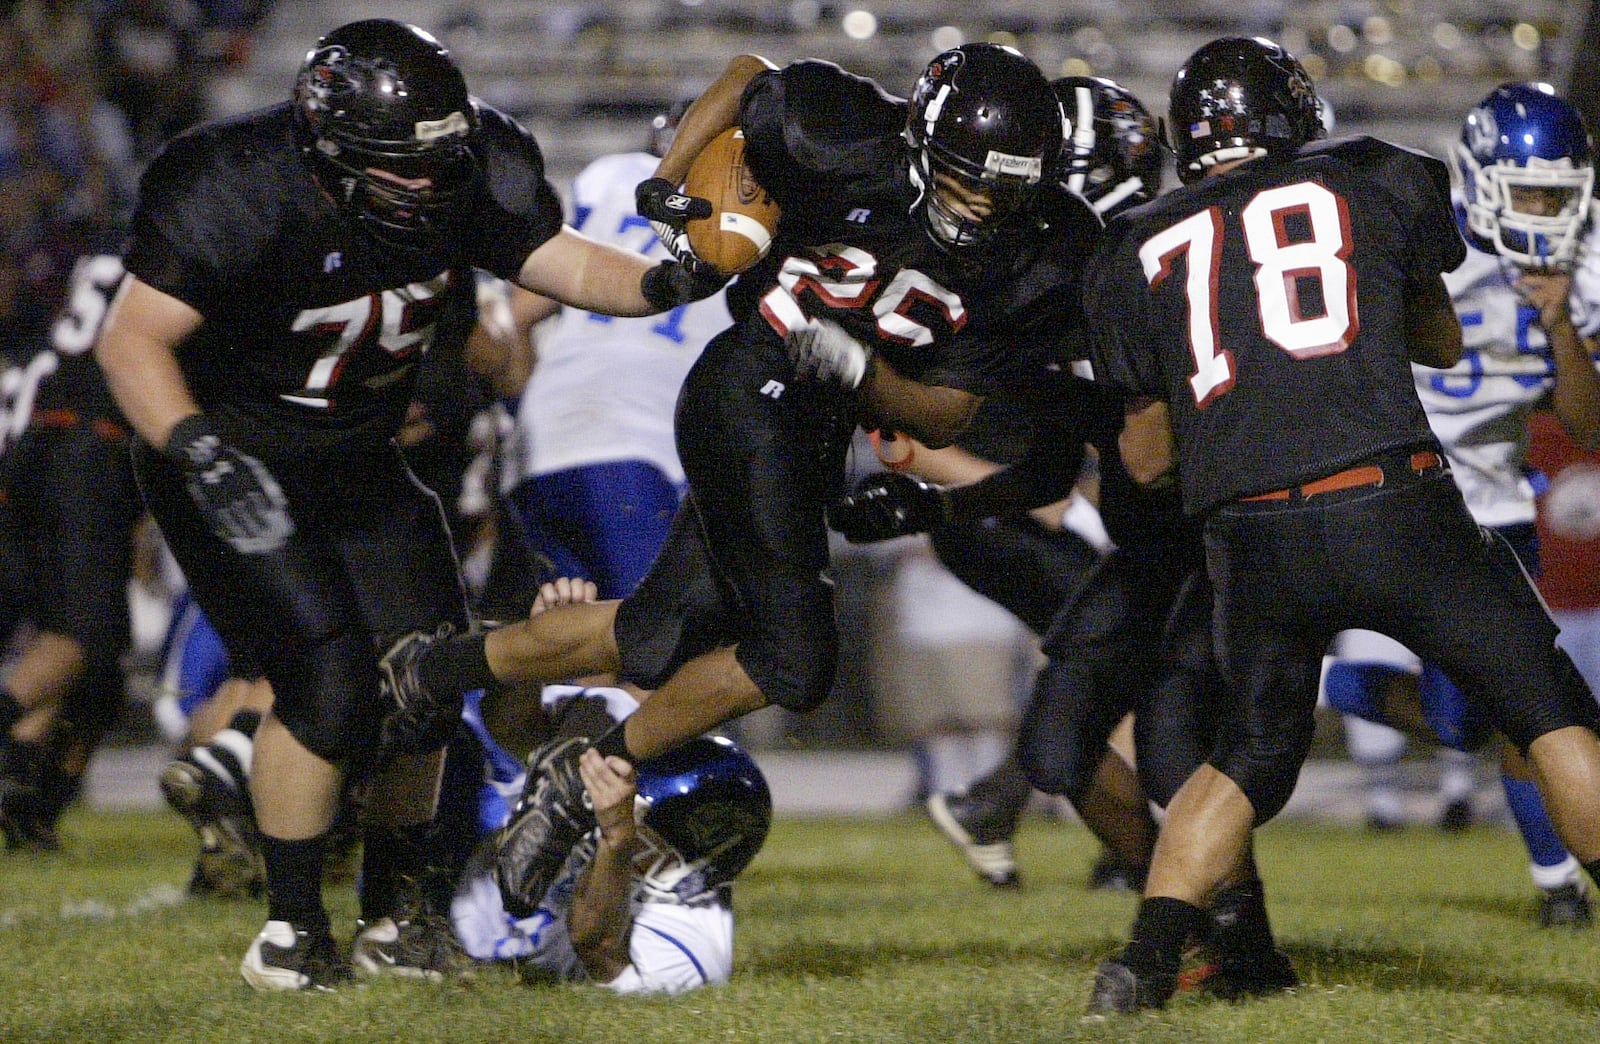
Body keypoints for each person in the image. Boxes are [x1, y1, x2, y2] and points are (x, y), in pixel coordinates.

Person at [381, 42, 1104, 918]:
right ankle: (584, 779)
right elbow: (743, 78)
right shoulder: (842, 133)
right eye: (963, 177)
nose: (981, 204)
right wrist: (672, 175)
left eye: (1004, 187)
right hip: (747, 386)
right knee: (795, 658)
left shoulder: (1049, 250)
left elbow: (945, 414)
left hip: (816, 420)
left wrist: (861, 381)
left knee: (654, 635)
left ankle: (432, 669)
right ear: (918, 141)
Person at [92, 18, 720, 992]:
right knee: (329, 691)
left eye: (441, 167)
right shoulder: (234, 180)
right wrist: (197, 448)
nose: (427, 190)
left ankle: (395, 916)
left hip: (361, 455)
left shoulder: (475, 163)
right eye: (401, 172)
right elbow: (131, 340)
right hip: (237, 456)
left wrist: (668, 279)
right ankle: (293, 932)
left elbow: (562, 260)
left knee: (424, 685)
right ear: (327, 150)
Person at [1082, 36, 1600, 1013]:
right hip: (1392, 500)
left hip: (1251, 528)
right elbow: (1440, 341)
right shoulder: (1373, 174)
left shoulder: (1132, 245)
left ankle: (1139, 967)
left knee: (1248, 753)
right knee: (1548, 710)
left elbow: (1145, 457)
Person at [1320, 82, 1600, 927]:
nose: (1545, 213)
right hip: (1395, 492)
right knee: (1474, 715)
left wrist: (1559, 327)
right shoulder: (1417, 230)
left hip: (1500, 502)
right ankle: (1331, 683)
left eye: (1559, 195)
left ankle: (1556, 887)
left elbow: (1588, 427)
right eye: (1528, 195)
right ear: (1480, 183)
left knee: (1508, 706)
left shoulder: (1584, 260)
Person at [919, 74, 1165, 891]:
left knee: (1110, 663)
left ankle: (1014, 812)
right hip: (995, 507)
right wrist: (1042, 492)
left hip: (1022, 501)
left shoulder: (1055, 268)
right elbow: (894, 435)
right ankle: (1006, 806)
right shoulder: (1001, 274)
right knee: (1109, 657)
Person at [504, 103, 732, 601]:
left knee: (556, 650)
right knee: (649, 657)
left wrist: (529, 411)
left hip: (538, 447)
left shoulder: (609, 179)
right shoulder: (747, 225)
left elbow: (516, 317)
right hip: (641, 451)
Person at [451, 684, 770, 994]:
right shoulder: (611, 716)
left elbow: (598, 947)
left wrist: (617, 835)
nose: (619, 811)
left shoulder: (688, 946)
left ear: (693, 857)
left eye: (643, 829)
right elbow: (510, 721)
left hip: (457, 905)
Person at [0, 218, 141, 853]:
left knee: (99, 660)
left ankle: (25, 798)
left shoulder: (110, 255)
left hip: (51, 446)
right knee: (82, 639)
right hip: (89, 444)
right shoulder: (178, 243)